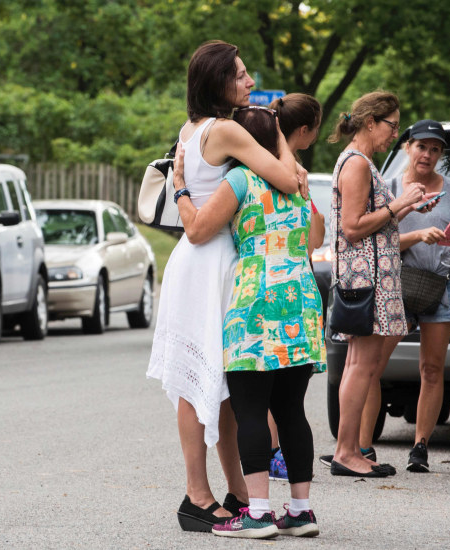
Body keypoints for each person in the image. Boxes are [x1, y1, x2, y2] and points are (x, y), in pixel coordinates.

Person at [146, 40, 299, 533]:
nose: (250, 82)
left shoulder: (192, 128)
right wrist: (276, 131)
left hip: (207, 262)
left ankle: (234, 492)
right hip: (210, 262)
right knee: (198, 381)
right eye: (240, 74)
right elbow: (288, 179)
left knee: (229, 387)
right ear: (218, 83)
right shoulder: (227, 130)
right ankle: (197, 495)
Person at [173, 104, 326, 539]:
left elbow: (199, 229)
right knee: (292, 411)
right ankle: (300, 511)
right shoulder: (296, 182)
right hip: (302, 301)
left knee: (251, 408)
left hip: (257, 303)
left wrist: (182, 187)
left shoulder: (240, 179)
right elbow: (316, 238)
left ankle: (257, 512)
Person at [325, 91, 440, 478]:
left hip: (371, 277)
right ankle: (347, 451)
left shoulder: (360, 162)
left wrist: (409, 205)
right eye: (393, 126)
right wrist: (398, 203)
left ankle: (349, 449)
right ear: (371, 122)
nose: (395, 134)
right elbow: (353, 227)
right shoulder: (357, 164)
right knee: (361, 365)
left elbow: (373, 219)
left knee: (362, 364)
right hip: (367, 279)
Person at [264, 93, 326, 483]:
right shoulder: (292, 174)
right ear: (303, 130)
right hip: (288, 286)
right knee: (283, 387)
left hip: (265, 285)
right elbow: (313, 239)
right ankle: (275, 453)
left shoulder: (258, 163)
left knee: (269, 381)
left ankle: (274, 452)